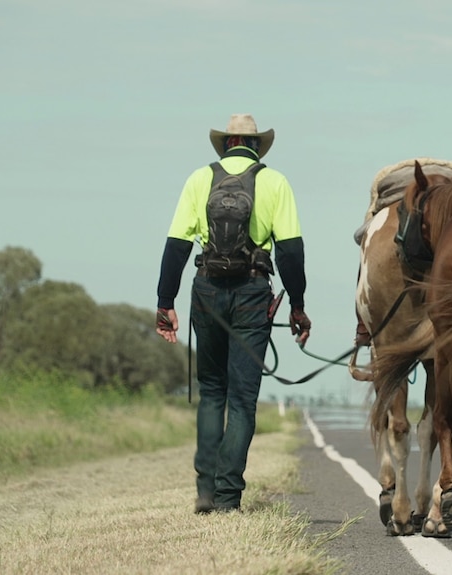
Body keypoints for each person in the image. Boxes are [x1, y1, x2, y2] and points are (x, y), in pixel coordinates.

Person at [155, 113, 311, 514]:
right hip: (251, 292)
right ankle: (227, 497)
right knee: (242, 400)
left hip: (206, 289)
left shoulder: (199, 179)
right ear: (256, 146)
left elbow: (176, 245)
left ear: (226, 144)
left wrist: (165, 303)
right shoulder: (275, 182)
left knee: (211, 392)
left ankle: (205, 490)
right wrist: (297, 304)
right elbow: (291, 252)